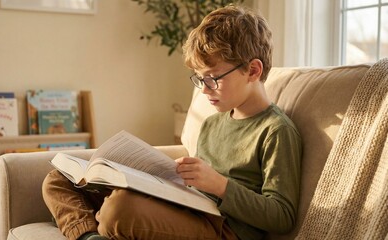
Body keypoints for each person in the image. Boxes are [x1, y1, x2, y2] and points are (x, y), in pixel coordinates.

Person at [42, 4, 302, 240]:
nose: (204, 89)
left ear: (253, 71)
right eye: (200, 78)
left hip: (224, 229)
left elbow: (281, 215)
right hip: (188, 209)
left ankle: (94, 225)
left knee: (119, 208)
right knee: (57, 180)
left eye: (213, 78)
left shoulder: (276, 131)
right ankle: (90, 236)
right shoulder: (213, 124)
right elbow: (192, 190)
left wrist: (220, 185)